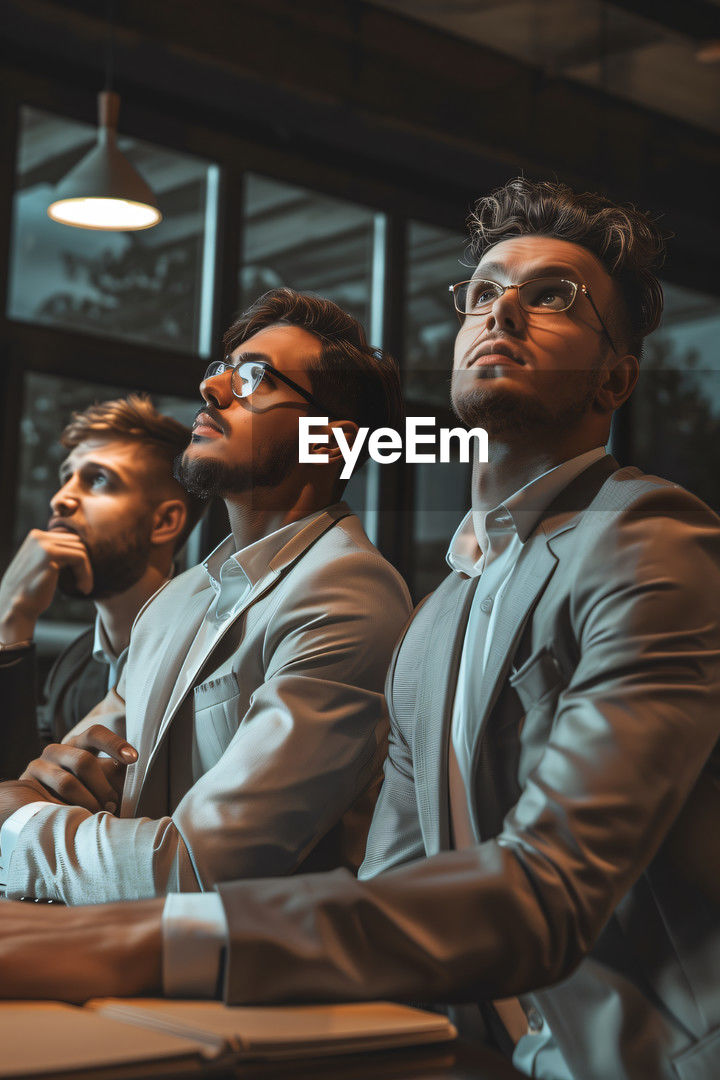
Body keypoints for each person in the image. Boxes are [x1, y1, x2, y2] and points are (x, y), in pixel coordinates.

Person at [3, 181, 720, 1080]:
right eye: (486, 292)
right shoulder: (439, 615)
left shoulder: (653, 538)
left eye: (552, 297)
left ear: (615, 377)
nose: (504, 312)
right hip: (457, 1049)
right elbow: (387, 902)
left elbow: (547, 892)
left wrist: (132, 942)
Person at [0, 289, 412, 906]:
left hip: (247, 983)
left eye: (255, 379)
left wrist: (15, 824)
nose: (215, 390)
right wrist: (34, 804)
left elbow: (199, 869)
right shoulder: (177, 599)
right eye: (221, 371)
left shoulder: (350, 590)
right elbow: (51, 781)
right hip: (110, 948)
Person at [0, 396, 204, 780]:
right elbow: (20, 794)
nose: (60, 499)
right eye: (66, 478)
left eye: (97, 479)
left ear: (164, 521)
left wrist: (12, 614)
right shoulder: (75, 665)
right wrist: (11, 619)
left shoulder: (203, 655)